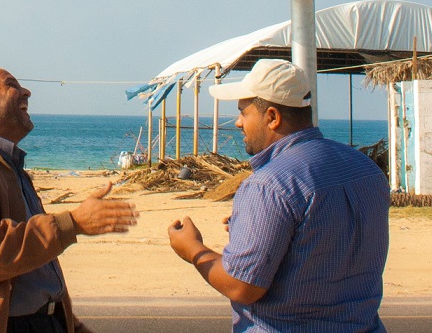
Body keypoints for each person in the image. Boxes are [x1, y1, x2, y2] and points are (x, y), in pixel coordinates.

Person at [166, 59, 390, 333]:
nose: (238, 122)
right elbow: (328, 240)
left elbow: (241, 287)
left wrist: (192, 249)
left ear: (272, 117)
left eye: (243, 112)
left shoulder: (269, 185)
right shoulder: (365, 168)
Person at [0, 67, 138, 333]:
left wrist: (70, 325)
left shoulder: (9, 166)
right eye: (11, 85)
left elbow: (34, 273)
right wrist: (72, 223)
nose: (26, 92)